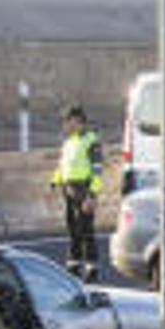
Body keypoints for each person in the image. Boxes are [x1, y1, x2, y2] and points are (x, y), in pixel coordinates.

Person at [50, 105, 103, 282]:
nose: (66, 125)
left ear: (78, 120)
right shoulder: (69, 142)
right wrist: (54, 183)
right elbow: (63, 166)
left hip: (84, 189)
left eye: (69, 120)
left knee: (86, 229)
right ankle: (74, 264)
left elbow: (97, 171)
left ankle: (91, 266)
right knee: (73, 228)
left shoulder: (91, 140)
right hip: (69, 189)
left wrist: (92, 195)